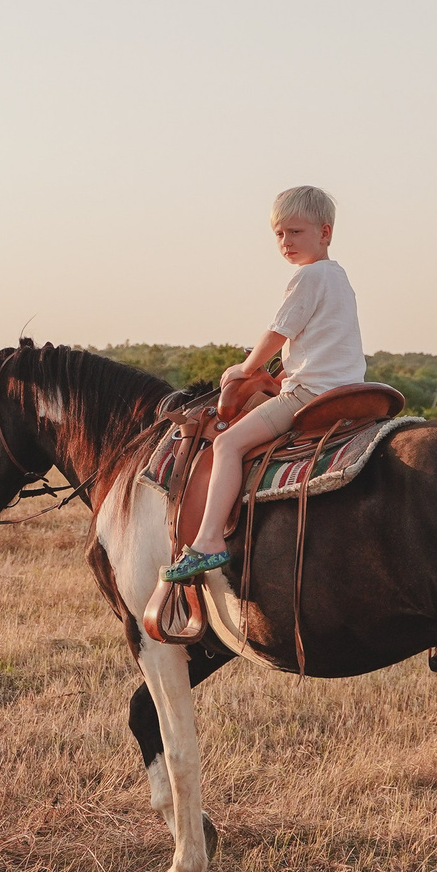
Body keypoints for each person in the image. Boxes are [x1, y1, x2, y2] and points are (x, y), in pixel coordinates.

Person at [162, 185, 366, 582]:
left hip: (311, 395)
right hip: (348, 389)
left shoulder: (307, 277)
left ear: (324, 233)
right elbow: (328, 340)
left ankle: (207, 543)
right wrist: (289, 370)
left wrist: (244, 367)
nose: (286, 242)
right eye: (279, 234)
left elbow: (278, 332)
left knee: (226, 443)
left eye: (296, 232)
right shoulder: (339, 278)